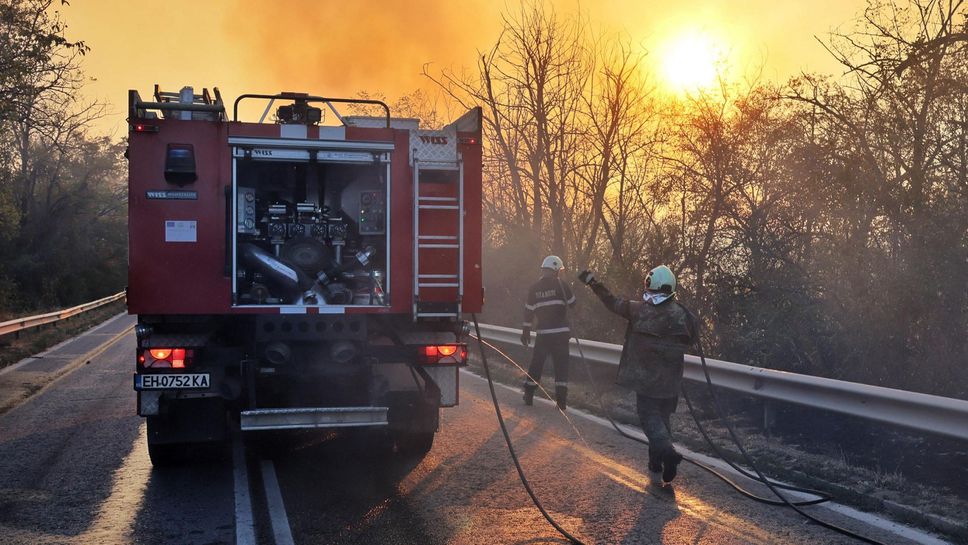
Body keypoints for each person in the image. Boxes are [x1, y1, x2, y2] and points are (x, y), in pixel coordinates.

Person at [577, 265, 698, 487]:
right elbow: (692, 338)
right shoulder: (683, 314)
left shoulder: (638, 310)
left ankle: (668, 453)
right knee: (662, 419)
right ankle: (656, 463)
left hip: (646, 378)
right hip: (671, 380)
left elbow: (611, 302)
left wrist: (593, 282)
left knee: (649, 417)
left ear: (648, 285)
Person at [521, 255, 576, 410]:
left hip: (543, 334)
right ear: (556, 270)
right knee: (561, 366)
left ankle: (529, 394)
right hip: (561, 334)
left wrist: (526, 331)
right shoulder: (562, 285)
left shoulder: (534, 288)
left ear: (544, 270)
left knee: (537, 364)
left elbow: (528, 312)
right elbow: (572, 304)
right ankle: (561, 401)